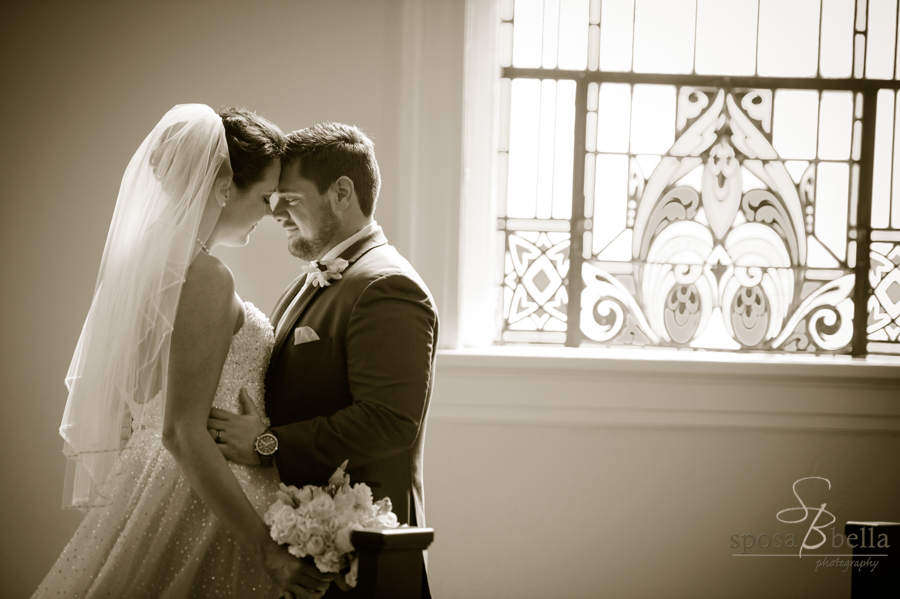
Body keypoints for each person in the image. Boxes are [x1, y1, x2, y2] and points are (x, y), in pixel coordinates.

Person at [32, 104, 331, 599]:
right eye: (264, 197)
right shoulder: (206, 276)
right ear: (221, 188)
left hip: (157, 477)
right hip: (202, 495)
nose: (271, 212)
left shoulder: (148, 264)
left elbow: (146, 403)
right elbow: (180, 429)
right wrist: (266, 549)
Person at [208, 122, 438, 597]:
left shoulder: (386, 286)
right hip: (308, 543)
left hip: (358, 552)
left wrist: (268, 444)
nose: (275, 212)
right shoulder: (320, 275)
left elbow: (388, 421)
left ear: (341, 193)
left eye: (288, 198)